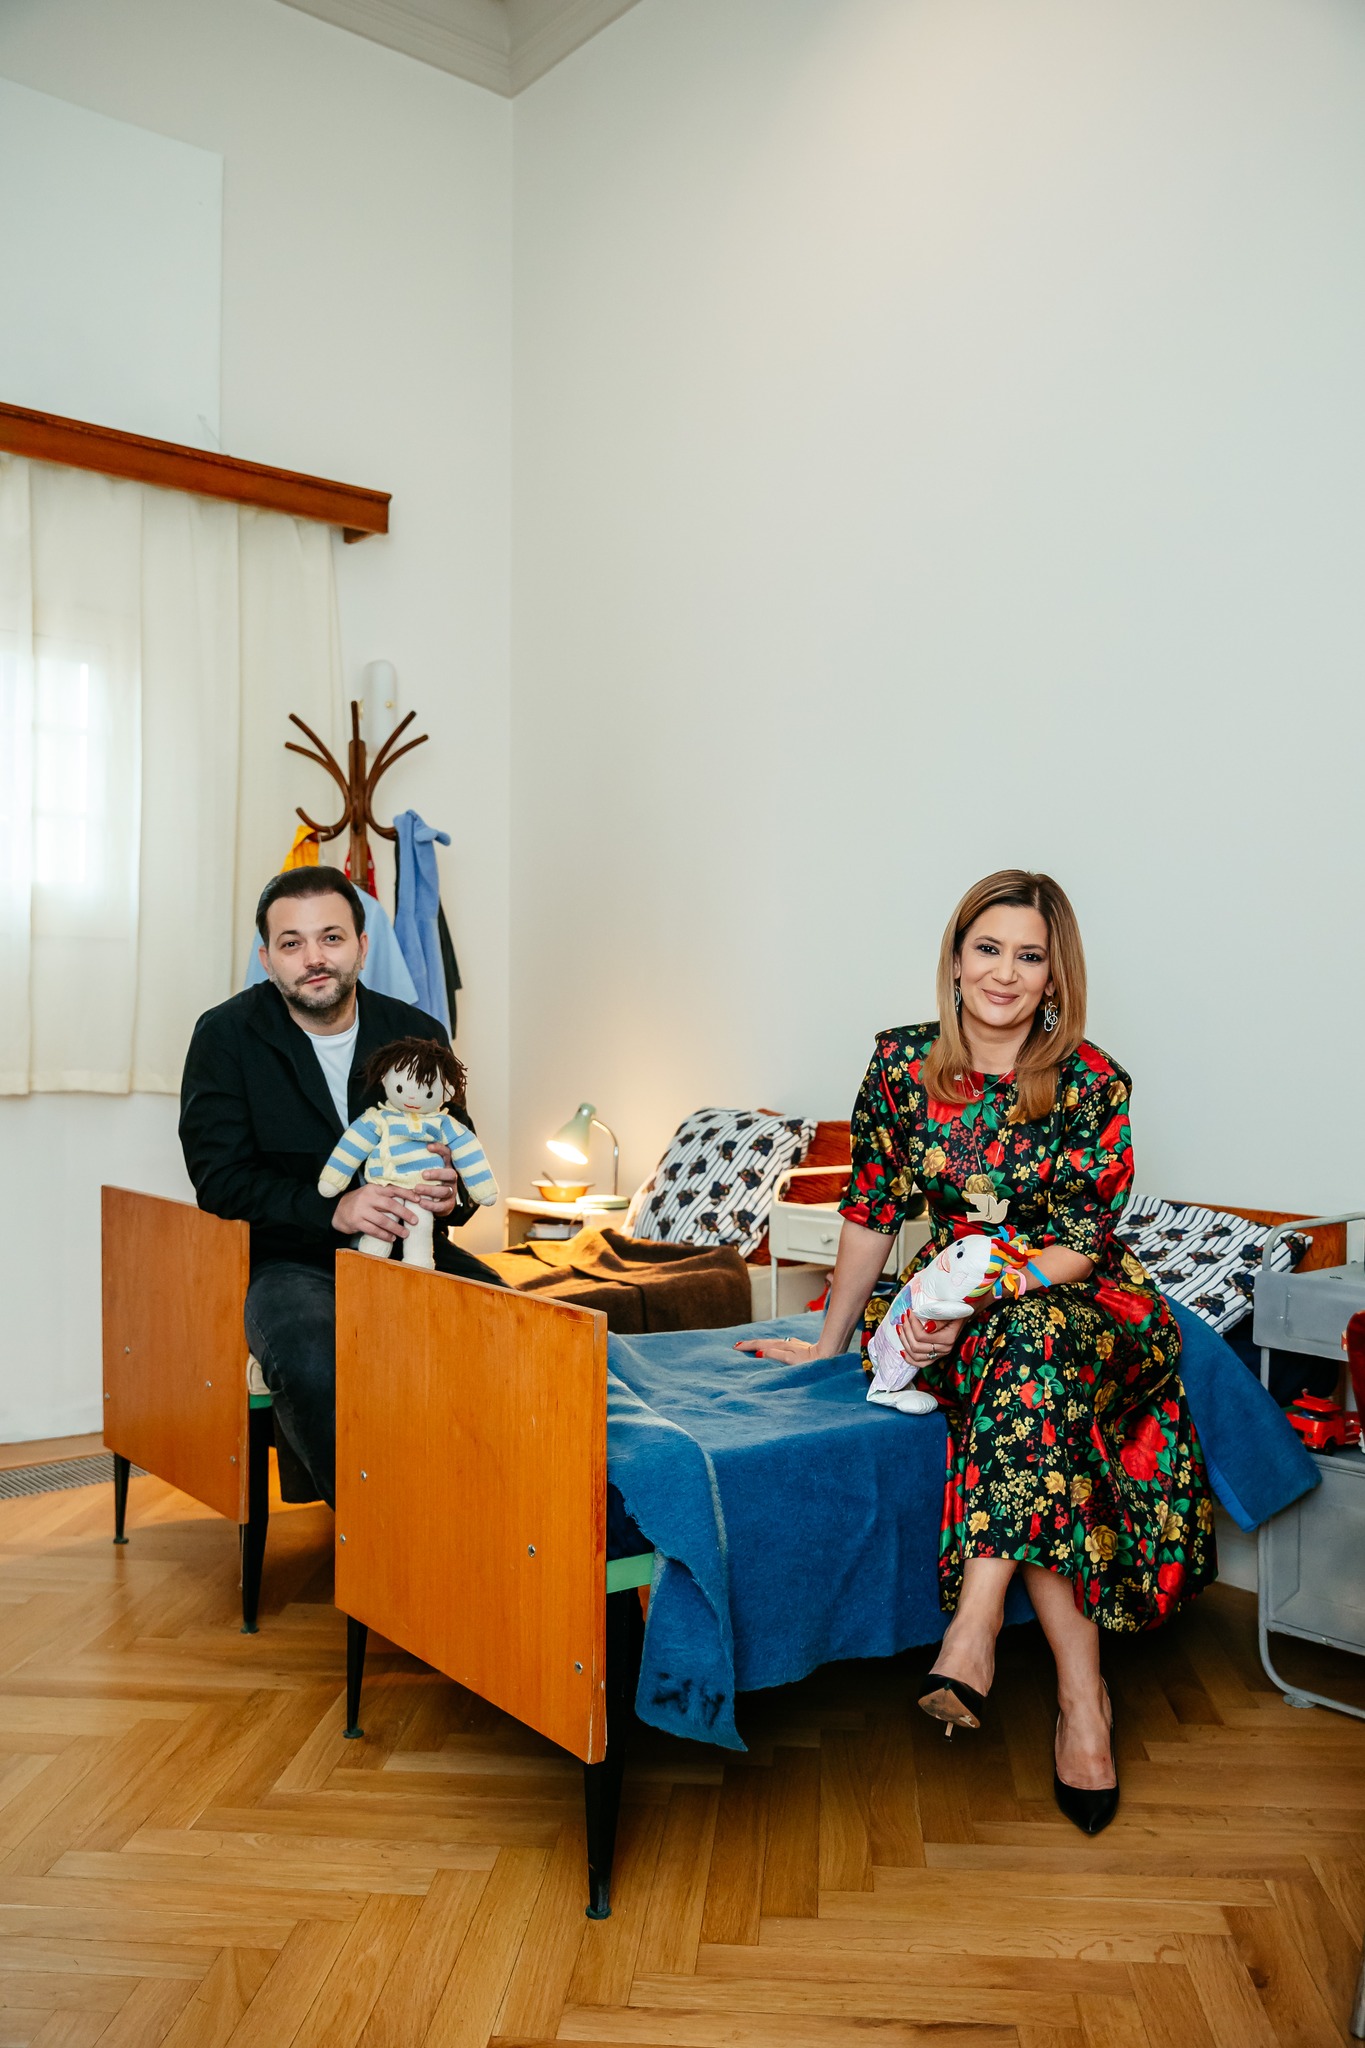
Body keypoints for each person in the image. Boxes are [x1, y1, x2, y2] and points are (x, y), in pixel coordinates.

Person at [738, 868, 1214, 1834]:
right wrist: (831, 1345)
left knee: (1030, 1339)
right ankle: (1082, 1702)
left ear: (1054, 977)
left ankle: (976, 1624)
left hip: (1081, 1301)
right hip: (955, 1300)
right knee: (1024, 1377)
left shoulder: (1090, 1082)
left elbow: (1079, 1243)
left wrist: (979, 1298)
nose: (1004, 973)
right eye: (987, 949)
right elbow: (872, 1210)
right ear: (955, 960)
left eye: (1028, 957)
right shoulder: (900, 1065)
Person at [179, 866, 502, 1507]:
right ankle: (379, 1527)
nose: (314, 958)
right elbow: (220, 1181)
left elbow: (460, 1147)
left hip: (411, 1250)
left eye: (331, 937)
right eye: (292, 943)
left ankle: (491, 1513)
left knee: (523, 1332)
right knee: (316, 1357)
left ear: (361, 945)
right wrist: (334, 1210)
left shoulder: (417, 1032)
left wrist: (453, 1196)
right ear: (267, 958)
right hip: (287, 1260)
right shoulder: (225, 1036)